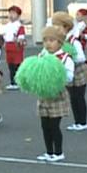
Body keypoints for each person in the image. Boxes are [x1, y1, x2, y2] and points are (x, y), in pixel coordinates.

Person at [29, 26, 75, 163]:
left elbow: (69, 77)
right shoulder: (42, 56)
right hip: (44, 95)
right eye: (45, 40)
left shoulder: (65, 58)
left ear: (60, 42)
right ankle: (49, 151)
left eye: (52, 40)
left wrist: (56, 76)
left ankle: (58, 152)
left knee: (54, 125)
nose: (48, 43)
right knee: (45, 125)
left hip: (57, 95)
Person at [51, 12, 87, 131]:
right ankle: (77, 121)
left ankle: (83, 122)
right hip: (68, 70)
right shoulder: (60, 41)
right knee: (72, 97)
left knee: (79, 96)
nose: (56, 28)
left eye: (58, 26)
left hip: (79, 70)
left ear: (66, 27)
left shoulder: (73, 40)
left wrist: (69, 56)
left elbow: (81, 58)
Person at [0, 5, 26, 89]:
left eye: (13, 13)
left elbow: (21, 37)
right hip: (8, 47)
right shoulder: (7, 25)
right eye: (10, 13)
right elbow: (4, 36)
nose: (11, 15)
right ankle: (12, 82)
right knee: (10, 65)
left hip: (16, 46)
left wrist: (18, 40)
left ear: (18, 15)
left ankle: (18, 82)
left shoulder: (19, 26)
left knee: (17, 65)